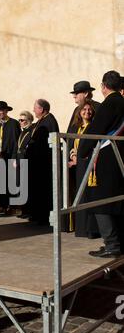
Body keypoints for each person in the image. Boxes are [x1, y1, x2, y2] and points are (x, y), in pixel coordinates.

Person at [78, 70, 124, 257]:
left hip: (107, 157)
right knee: (115, 200)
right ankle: (117, 242)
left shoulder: (110, 102)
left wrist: (83, 150)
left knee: (101, 200)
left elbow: (96, 129)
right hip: (119, 155)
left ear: (104, 86)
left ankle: (112, 244)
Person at [67, 100, 99, 238]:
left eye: (89, 109)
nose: (87, 112)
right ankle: (80, 229)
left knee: (88, 196)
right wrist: (73, 154)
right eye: (84, 109)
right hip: (78, 168)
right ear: (79, 112)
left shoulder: (94, 127)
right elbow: (72, 145)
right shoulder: (76, 128)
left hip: (90, 166)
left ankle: (91, 230)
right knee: (79, 197)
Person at [25, 99, 59, 225]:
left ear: (42, 109)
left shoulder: (49, 121)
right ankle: (37, 214)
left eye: (35, 108)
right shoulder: (41, 121)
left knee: (44, 191)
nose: (33, 110)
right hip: (37, 163)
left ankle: (43, 217)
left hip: (44, 163)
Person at [0, 101, 21, 214]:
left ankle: (12, 207)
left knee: (11, 182)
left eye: (2, 110)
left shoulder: (13, 124)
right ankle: (1, 205)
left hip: (9, 157)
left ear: (6, 111)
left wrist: (11, 156)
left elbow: (16, 142)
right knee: (0, 182)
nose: (0, 112)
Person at [15, 111, 34, 218]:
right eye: (19, 120)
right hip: (20, 161)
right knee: (21, 186)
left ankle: (28, 211)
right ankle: (23, 209)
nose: (20, 122)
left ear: (28, 120)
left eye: (22, 120)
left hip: (26, 161)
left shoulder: (31, 131)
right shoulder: (22, 132)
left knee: (26, 187)